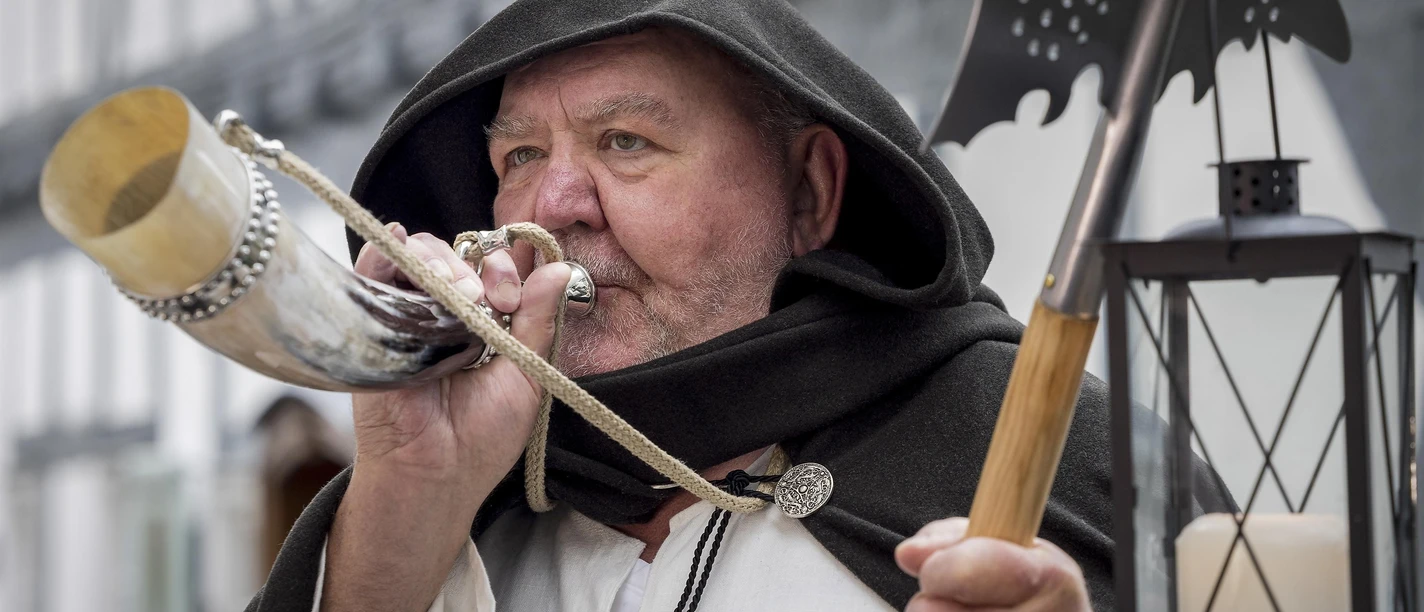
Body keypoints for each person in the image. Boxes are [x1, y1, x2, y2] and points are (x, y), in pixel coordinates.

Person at [247, 1, 1232, 611]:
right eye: (518, 157)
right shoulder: (450, 510)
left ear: (807, 193)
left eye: (626, 141)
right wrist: (408, 505)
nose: (550, 204)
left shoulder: (1051, 450)